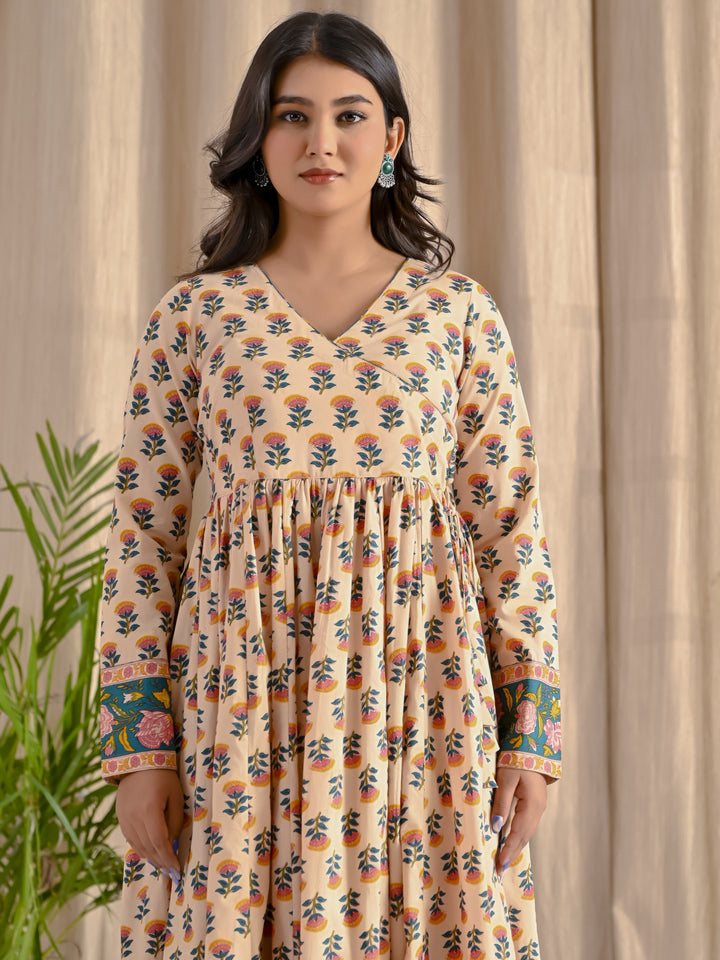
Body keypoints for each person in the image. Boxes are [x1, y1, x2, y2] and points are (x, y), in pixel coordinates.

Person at [99, 10, 561, 960]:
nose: (321, 142)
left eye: (350, 115)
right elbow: (144, 538)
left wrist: (533, 736)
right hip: (238, 719)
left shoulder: (458, 316)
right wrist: (141, 752)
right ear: (257, 138)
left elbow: (509, 532)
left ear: (391, 138)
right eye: (292, 116)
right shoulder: (195, 318)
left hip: (425, 711)